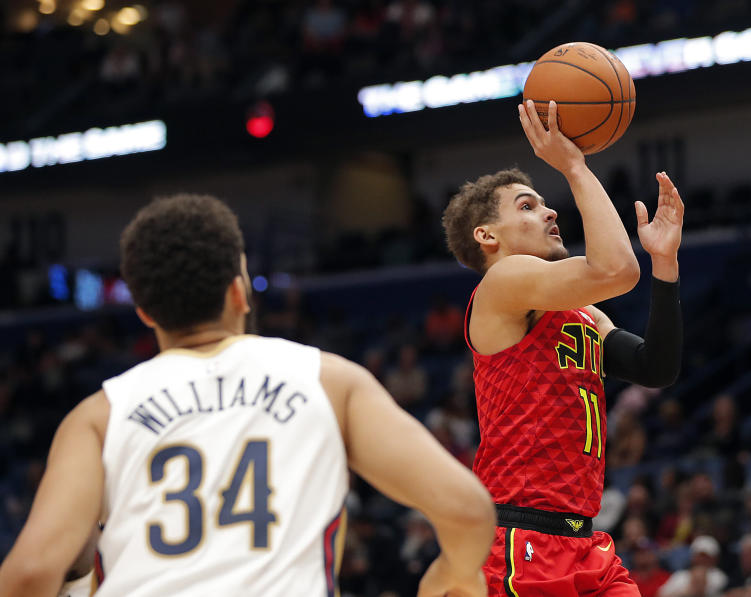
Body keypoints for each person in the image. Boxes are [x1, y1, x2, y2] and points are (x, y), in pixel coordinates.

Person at [0, 195, 495, 597]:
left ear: (145, 312)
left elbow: (28, 574)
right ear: (240, 293)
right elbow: (468, 509)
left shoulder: (98, 414)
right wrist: (452, 574)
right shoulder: (329, 381)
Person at [441, 100, 683, 595]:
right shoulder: (501, 282)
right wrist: (573, 165)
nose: (550, 209)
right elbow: (615, 270)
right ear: (487, 235)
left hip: (584, 541)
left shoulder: (584, 316)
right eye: (526, 206)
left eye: (542, 201)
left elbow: (655, 367)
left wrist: (665, 265)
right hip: (519, 538)